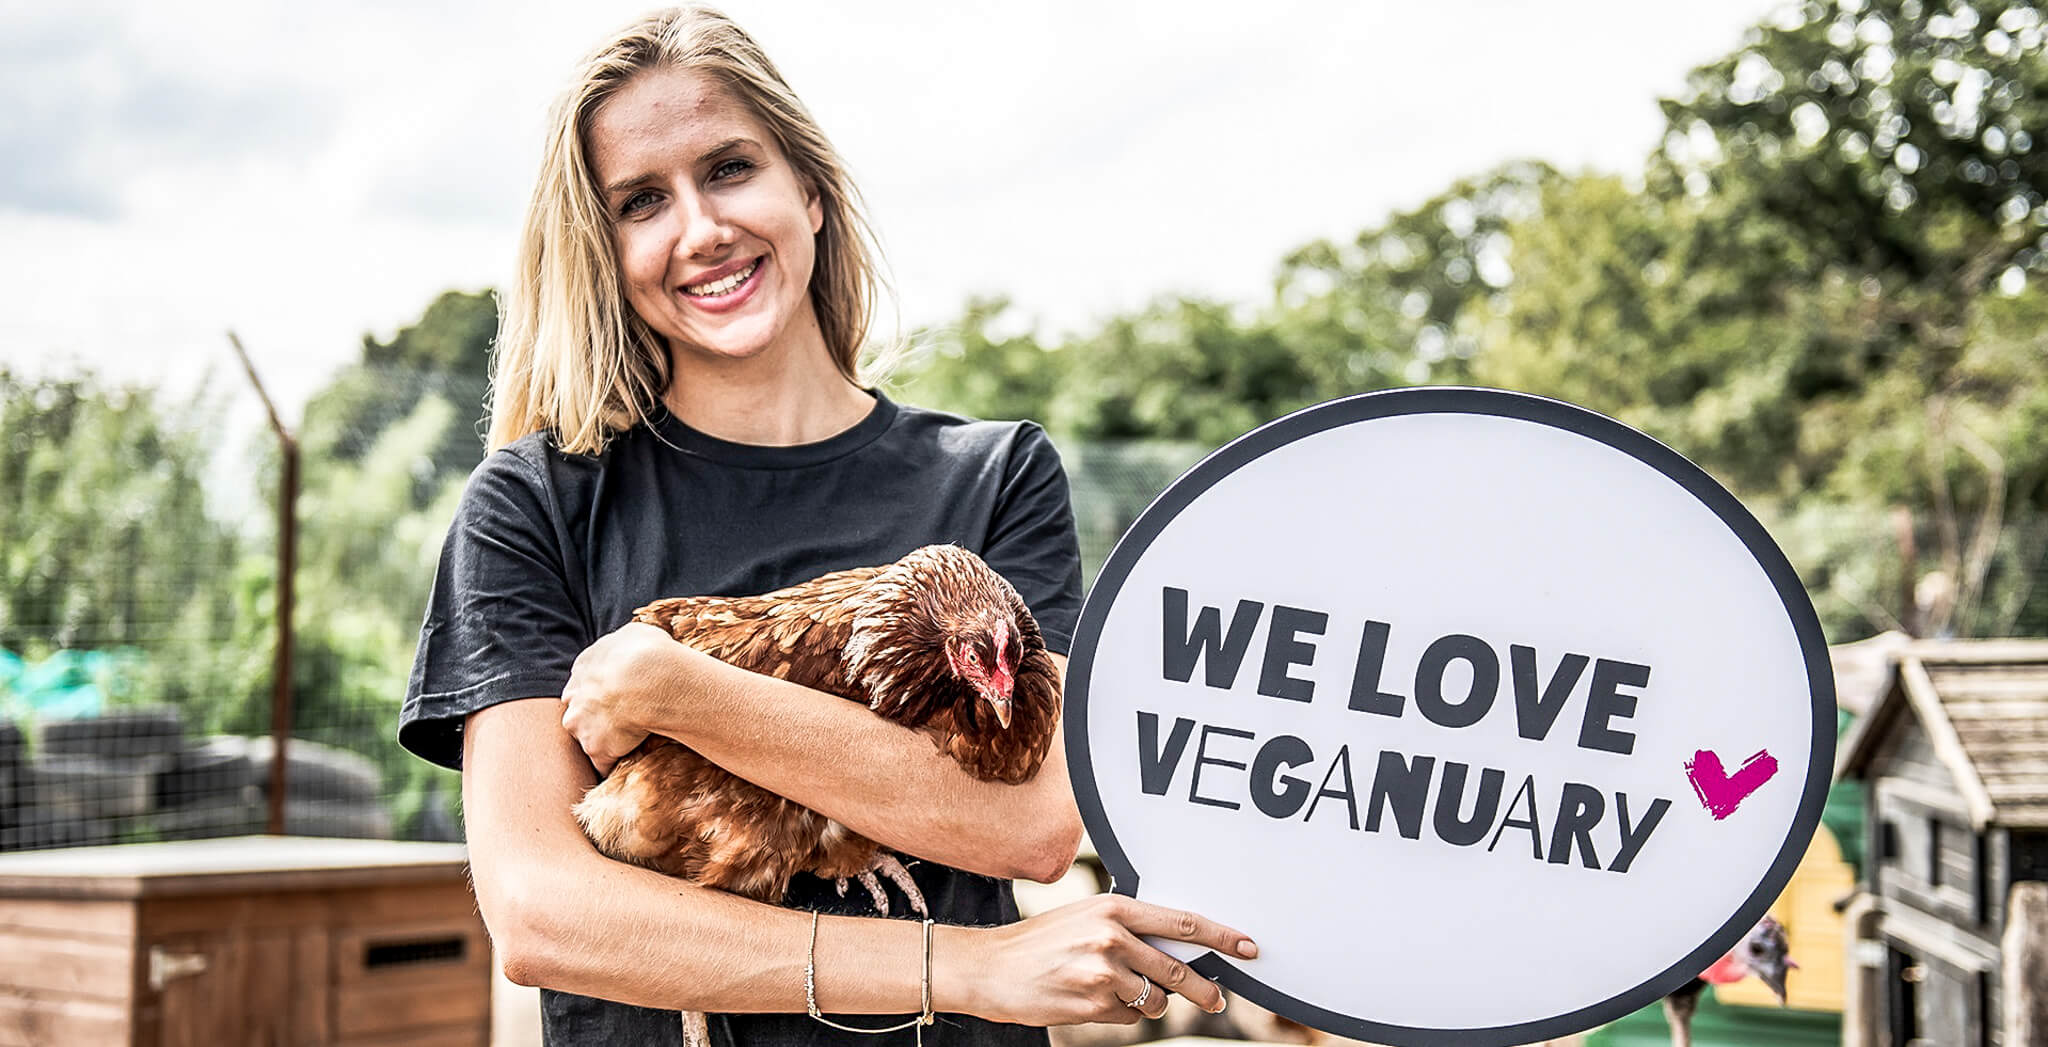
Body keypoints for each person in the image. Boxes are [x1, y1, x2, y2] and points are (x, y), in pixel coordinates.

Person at [397, 7, 1256, 1045]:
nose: (700, 228)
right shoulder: (539, 502)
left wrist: (688, 694)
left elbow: (1031, 824)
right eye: (640, 202)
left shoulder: (992, 477)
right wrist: (968, 968)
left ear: (806, 189)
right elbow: (543, 911)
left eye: (727, 169)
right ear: (606, 249)